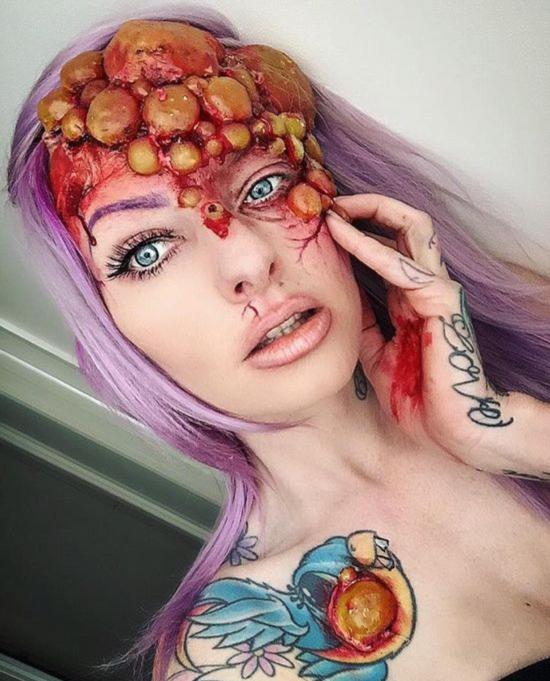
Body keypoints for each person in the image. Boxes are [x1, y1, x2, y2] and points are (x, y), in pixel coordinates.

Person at [7, 6, 550, 681]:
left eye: (264, 185)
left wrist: (510, 433)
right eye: (147, 251)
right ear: (110, 328)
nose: (249, 262)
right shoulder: (230, 661)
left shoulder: (533, 333)